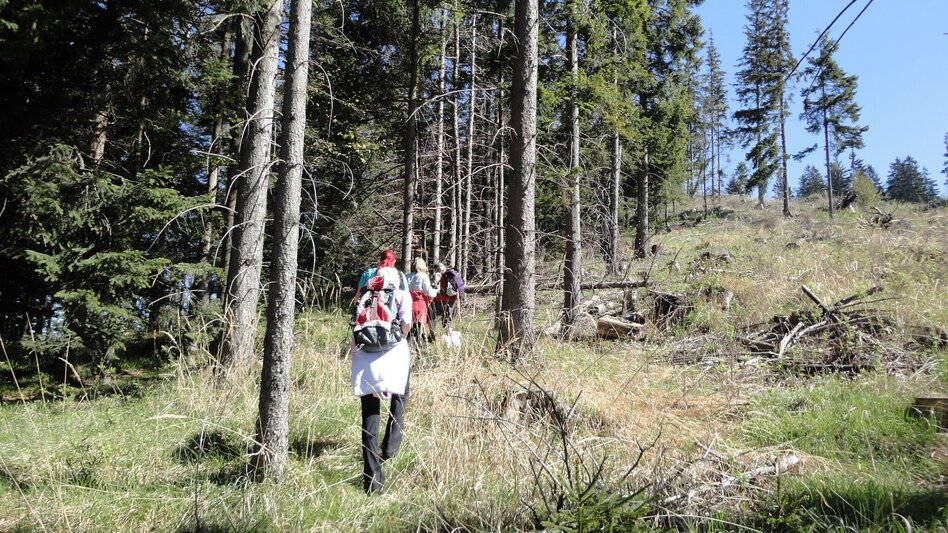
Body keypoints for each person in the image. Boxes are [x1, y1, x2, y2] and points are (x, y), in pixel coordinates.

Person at [350, 260, 412, 494]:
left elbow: (354, 329)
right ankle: (391, 446)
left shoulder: (365, 295)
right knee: (401, 394)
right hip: (394, 355)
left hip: (365, 359)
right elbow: (406, 325)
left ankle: (373, 480)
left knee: (369, 414)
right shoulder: (402, 295)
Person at [406, 257, 439, 345]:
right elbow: (428, 292)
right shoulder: (423, 276)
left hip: (408, 302)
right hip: (420, 304)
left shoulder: (408, 276)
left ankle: (411, 344)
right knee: (418, 326)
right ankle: (418, 346)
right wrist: (436, 291)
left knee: (410, 325)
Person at [431, 263, 461, 336]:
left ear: (436, 269)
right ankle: (449, 336)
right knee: (448, 318)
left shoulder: (437, 275)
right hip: (451, 299)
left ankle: (432, 335)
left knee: (433, 316)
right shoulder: (450, 275)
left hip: (439, 299)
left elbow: (433, 286)